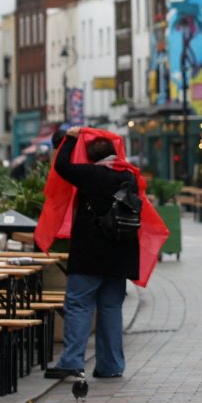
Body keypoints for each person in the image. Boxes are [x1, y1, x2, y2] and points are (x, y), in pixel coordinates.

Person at [44, 128, 139, 381]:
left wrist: (71, 139)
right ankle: (111, 365)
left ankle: (72, 361)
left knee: (78, 305)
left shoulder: (92, 174)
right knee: (110, 309)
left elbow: (62, 166)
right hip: (120, 256)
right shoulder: (129, 177)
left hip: (90, 256)